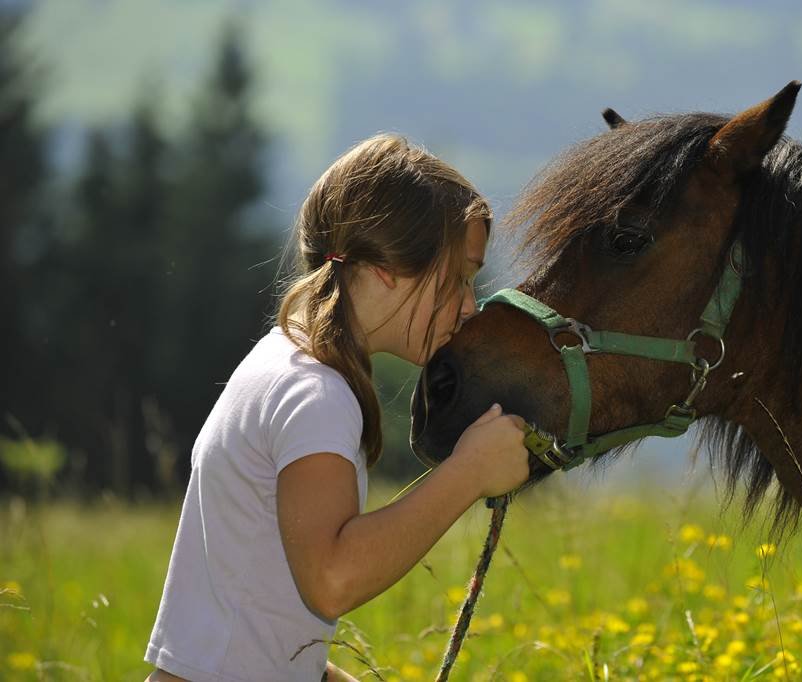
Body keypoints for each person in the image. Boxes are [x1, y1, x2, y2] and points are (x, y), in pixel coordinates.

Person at [144, 134, 531, 682]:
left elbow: (254, 604)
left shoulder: (282, 357)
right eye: (459, 277)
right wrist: (468, 473)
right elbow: (331, 579)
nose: (470, 304)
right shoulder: (316, 394)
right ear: (389, 268)